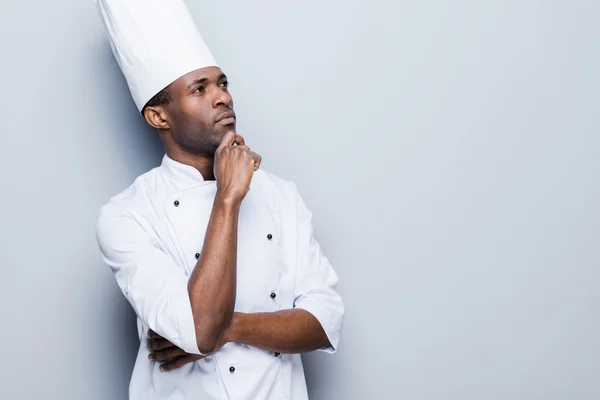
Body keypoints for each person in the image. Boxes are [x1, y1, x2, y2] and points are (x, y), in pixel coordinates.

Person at [94, 0, 344, 399]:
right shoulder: (127, 216)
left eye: (222, 83)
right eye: (200, 89)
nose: (222, 97)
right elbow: (201, 328)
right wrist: (228, 198)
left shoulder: (281, 196)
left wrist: (232, 326)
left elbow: (325, 321)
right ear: (159, 117)